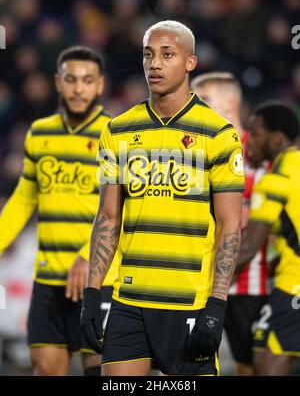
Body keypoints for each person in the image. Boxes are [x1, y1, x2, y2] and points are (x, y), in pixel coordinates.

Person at [80, 20, 244, 376]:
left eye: (167, 54)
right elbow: (108, 218)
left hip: (189, 303)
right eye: (148, 55)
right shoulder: (118, 130)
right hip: (129, 302)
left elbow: (231, 226)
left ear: (190, 63)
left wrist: (217, 305)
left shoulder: (218, 134)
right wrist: (92, 294)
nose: (154, 64)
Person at [0, 46, 118, 376]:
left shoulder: (119, 135)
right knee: (46, 369)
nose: (78, 88)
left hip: (98, 278)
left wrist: (87, 255)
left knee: (102, 371)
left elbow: (123, 209)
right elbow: (24, 199)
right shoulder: (40, 133)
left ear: (100, 85)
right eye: (70, 79)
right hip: (49, 278)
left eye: (87, 80)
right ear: (57, 82)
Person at [191, 72, 268, 376]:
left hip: (251, 282)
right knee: (186, 364)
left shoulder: (263, 156)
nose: (196, 106)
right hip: (199, 281)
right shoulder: (194, 154)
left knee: (250, 366)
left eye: (204, 99)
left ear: (231, 103)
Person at [235, 101, 300, 376]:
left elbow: (248, 248)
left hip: (294, 285)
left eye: (256, 133)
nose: (250, 140)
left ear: (276, 138)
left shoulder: (275, 180)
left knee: (265, 361)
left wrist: (200, 280)